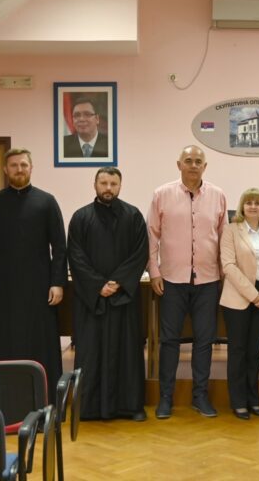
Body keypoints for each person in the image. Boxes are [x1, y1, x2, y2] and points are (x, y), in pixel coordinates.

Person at [0, 148, 67, 401]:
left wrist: (57, 282)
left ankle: (44, 396)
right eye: (14, 165)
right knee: (2, 339)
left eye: (23, 165)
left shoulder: (47, 201)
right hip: (1, 284)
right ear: (6, 169)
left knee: (39, 339)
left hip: (39, 284)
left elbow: (59, 246)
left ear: (31, 168)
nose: (19, 169)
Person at [147, 144, 227, 419]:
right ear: (179, 164)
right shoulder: (162, 194)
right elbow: (152, 236)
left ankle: (200, 396)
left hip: (208, 280)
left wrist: (224, 274)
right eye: (188, 160)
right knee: (169, 340)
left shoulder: (218, 196)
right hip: (171, 280)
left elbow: (223, 238)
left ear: (205, 167)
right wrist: (154, 272)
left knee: (204, 341)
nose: (193, 165)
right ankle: (165, 398)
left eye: (198, 161)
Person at [67, 167, 149, 421]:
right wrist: (98, 285)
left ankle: (130, 407)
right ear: (95, 185)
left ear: (120, 186)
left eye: (113, 184)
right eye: (104, 183)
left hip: (123, 298)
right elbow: (75, 256)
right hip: (92, 300)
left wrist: (118, 283)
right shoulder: (81, 217)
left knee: (127, 352)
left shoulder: (133, 216)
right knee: (91, 353)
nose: (108, 188)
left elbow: (140, 253)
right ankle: (89, 408)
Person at [219, 188, 259, 420]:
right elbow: (228, 265)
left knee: (255, 352)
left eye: (257, 203)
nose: (253, 206)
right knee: (238, 351)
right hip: (238, 297)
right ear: (242, 207)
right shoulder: (231, 230)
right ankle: (238, 402)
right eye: (248, 202)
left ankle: (253, 400)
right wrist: (253, 295)